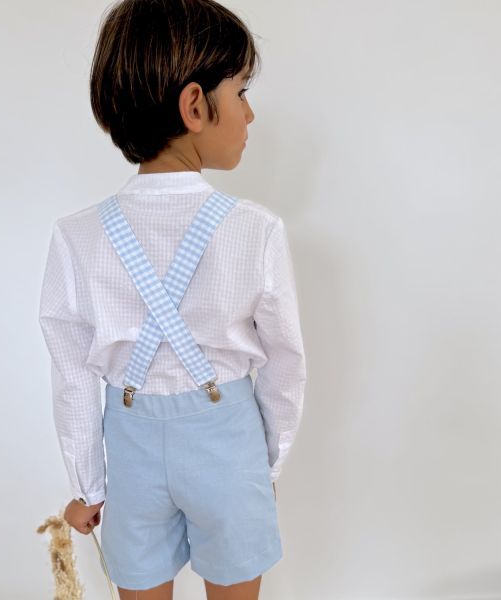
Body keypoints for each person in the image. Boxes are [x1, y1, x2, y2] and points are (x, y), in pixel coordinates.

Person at [38, 1, 306, 598]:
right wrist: (266, 463)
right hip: (227, 444)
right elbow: (285, 363)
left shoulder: (78, 236)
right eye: (241, 91)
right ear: (194, 106)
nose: (249, 112)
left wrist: (88, 485)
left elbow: (72, 375)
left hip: (130, 449)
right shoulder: (254, 230)